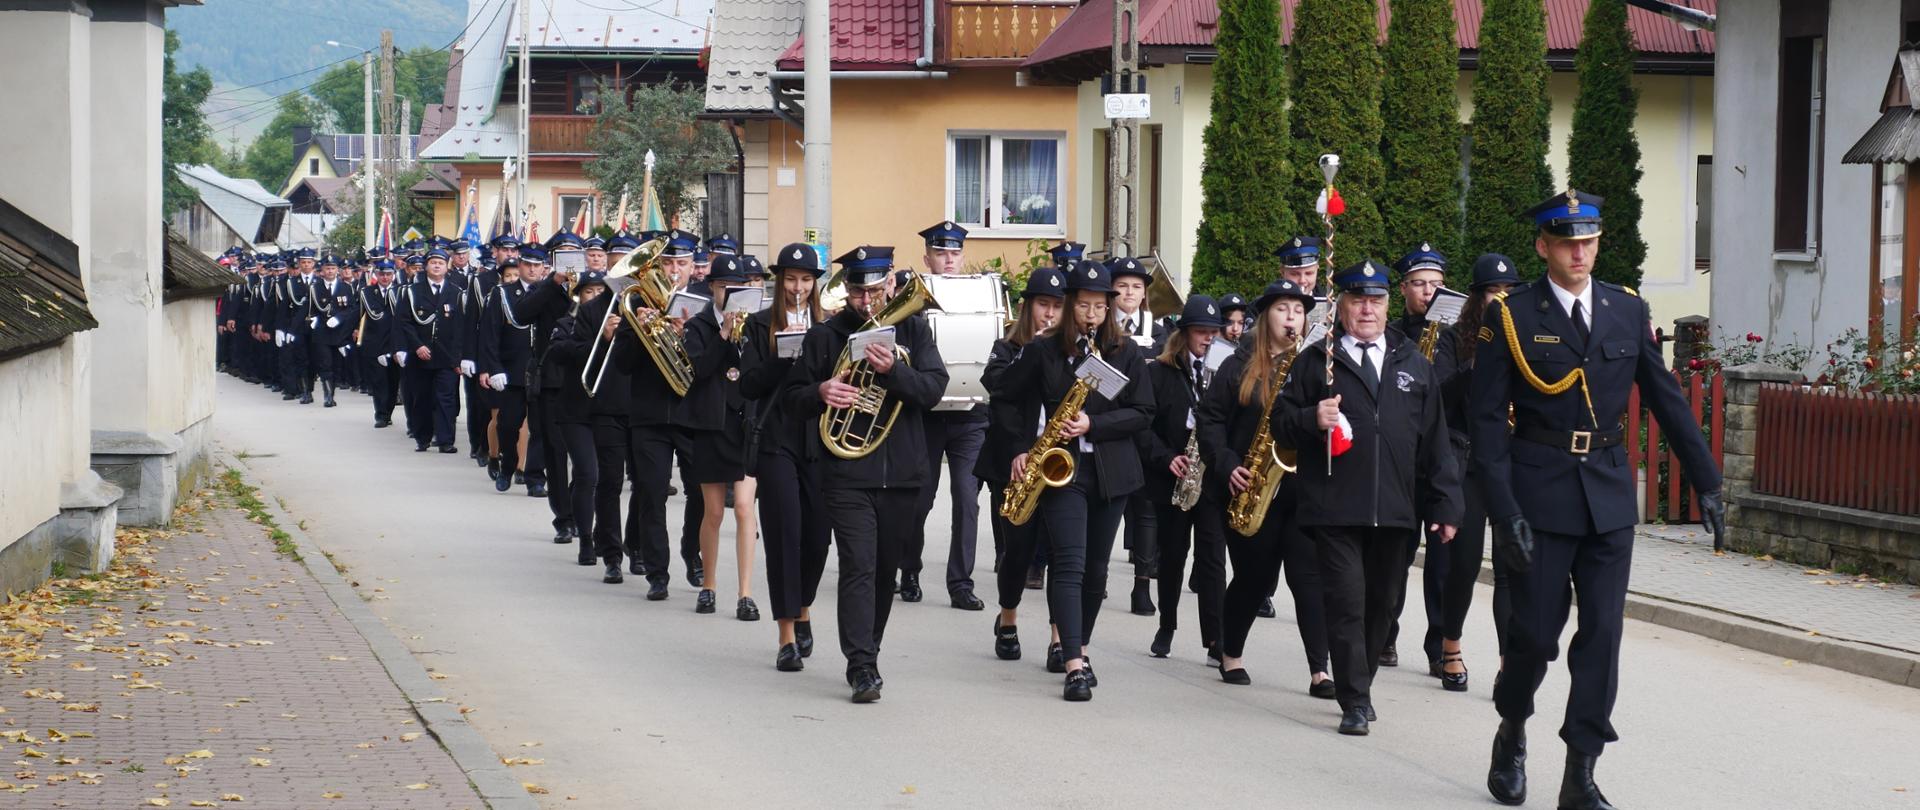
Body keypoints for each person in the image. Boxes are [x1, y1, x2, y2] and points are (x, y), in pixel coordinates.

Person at [1478, 191, 1725, 810]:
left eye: (1588, 241)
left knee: (1604, 636)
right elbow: (1485, 425)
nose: (1580, 252)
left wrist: (1709, 481)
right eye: (1567, 242)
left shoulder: (1624, 309)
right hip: (1539, 494)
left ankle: (1580, 772)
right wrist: (1503, 510)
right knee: (1533, 637)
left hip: (1609, 495)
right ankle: (1511, 730)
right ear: (1544, 246)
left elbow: (1667, 398)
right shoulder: (1510, 315)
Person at [1272, 258, 1462, 736]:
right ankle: (1354, 699)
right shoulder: (1318, 361)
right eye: (1357, 300)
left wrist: (1445, 504)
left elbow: (1435, 442)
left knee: (1383, 604)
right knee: (1347, 602)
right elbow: (1280, 423)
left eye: (1375, 301)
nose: (1367, 310)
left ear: (1387, 304)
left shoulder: (1413, 363)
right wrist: (1312, 418)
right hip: (1335, 506)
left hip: (1397, 509)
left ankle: (1362, 683)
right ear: (1342, 307)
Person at [780, 245, 948, 703]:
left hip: (904, 474)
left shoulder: (914, 328)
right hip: (847, 471)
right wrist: (821, 390)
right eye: (858, 293)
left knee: (885, 571)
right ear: (846, 291)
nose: (867, 302)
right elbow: (791, 398)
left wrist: (894, 371)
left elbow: (934, 389)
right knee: (858, 565)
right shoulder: (825, 336)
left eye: (875, 291)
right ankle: (861, 665)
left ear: (891, 287)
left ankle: (868, 649)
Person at [997, 260, 1153, 701]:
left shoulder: (1125, 353)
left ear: (1109, 308)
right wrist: (1021, 447)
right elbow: (1006, 397)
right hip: (1061, 472)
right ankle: (1073, 664)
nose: (1090, 315)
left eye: (1099, 307)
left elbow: (1144, 412)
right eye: (1082, 305)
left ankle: (1079, 645)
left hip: (1112, 472)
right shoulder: (1044, 350)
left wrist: (1093, 425)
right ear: (1068, 306)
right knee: (1069, 563)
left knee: (1097, 572)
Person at [1201, 279, 1336, 698]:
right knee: (1255, 577)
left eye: (1298, 311)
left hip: (1299, 487)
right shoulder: (1238, 365)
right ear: (1266, 317)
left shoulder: (1314, 364)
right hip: (1250, 484)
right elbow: (1209, 420)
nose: (1292, 317)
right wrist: (1227, 465)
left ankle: (1320, 670)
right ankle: (1230, 652)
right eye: (1283, 309)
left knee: (1307, 577)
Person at [1425, 253, 1520, 693]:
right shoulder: (1453, 340)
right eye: (1493, 294)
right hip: (1467, 462)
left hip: (1509, 463)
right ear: (1476, 299)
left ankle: (1507, 663)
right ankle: (1450, 644)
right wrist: (1476, 363)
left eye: (1508, 293)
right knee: (1462, 566)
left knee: (1508, 567)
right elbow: (1438, 397)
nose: (1501, 301)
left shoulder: (1525, 340)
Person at [741, 243, 833, 670]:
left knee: (817, 537)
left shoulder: (828, 328)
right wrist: (782, 355)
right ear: (780, 283)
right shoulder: (759, 325)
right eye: (791, 279)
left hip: (818, 441)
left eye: (806, 280)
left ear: (815, 285)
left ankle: (803, 606)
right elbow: (748, 385)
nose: (798, 287)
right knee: (785, 534)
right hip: (777, 438)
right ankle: (785, 635)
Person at [902, 221, 991, 609]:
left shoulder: (981, 293)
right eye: (941, 253)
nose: (949, 259)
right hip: (928, 413)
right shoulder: (913, 296)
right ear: (928, 258)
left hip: (970, 414)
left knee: (966, 498)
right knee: (920, 498)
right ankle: (909, 568)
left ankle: (961, 583)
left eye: (955, 253)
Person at [980, 265, 1067, 663]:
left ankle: (1059, 637)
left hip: (1057, 464)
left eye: (1056, 307)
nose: (1049, 314)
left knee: (1060, 553)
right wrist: (1018, 448)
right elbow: (998, 394)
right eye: (1042, 306)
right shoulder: (1007, 348)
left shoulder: (1071, 355)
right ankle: (1008, 618)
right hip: (1013, 463)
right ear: (1028, 307)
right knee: (1018, 551)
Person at [1142, 296, 1228, 662]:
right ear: (1184, 334)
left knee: (1212, 560)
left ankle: (1215, 639)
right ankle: (1167, 624)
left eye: (1213, 332)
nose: (1208, 339)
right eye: (1201, 332)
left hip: (1211, 481)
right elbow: (1144, 426)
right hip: (1174, 478)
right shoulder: (1160, 373)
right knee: (1173, 556)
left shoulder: (1225, 372)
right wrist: (1167, 459)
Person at [679, 255, 761, 619]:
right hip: (711, 424)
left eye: (736, 287)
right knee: (713, 512)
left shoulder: (756, 325)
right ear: (712, 287)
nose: (729, 293)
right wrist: (724, 334)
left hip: (746, 423)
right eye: (724, 286)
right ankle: (709, 585)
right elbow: (698, 370)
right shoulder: (698, 326)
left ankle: (745, 593)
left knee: (744, 508)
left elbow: (757, 370)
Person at [1381, 243, 1448, 670]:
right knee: (1394, 556)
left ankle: (1440, 646)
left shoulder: (1460, 335)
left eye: (1437, 285)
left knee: (1443, 562)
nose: (1428, 293)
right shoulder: (1391, 336)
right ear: (1403, 288)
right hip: (1401, 461)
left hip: (1442, 459)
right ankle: (1385, 633)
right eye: (1420, 284)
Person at [1106, 256, 1165, 617]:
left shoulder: (1157, 328)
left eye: (1137, 287)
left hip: (1144, 422)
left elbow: (1161, 367)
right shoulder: (1100, 324)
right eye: (1123, 286)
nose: (1129, 293)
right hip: (1107, 419)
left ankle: (1142, 584)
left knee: (1145, 510)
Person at [398, 248, 469, 454]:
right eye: (433, 262)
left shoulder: (455, 292)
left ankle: (446, 440)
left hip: (446, 357)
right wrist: (417, 345)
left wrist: (457, 358)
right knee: (422, 398)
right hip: (420, 355)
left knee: (445, 399)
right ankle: (423, 437)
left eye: (441, 262)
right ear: (426, 266)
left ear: (447, 267)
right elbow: (404, 322)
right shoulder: (412, 291)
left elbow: (459, 328)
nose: (437, 265)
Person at [358, 259, 404, 428]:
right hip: (375, 344)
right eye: (382, 274)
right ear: (376, 275)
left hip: (394, 345)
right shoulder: (367, 292)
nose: (385, 278)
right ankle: (381, 415)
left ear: (394, 275)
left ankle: (388, 411)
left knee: (393, 382)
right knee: (379, 382)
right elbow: (361, 316)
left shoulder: (401, 291)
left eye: (389, 274)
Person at [312, 254, 358, 408]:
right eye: (327, 268)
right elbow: (310, 309)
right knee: (325, 364)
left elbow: (352, 309)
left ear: (337, 270)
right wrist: (312, 319)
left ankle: (332, 391)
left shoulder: (346, 287)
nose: (330, 271)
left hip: (339, 333)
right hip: (322, 333)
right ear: (322, 270)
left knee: (336, 365)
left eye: (333, 268)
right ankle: (328, 396)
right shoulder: (315, 287)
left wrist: (339, 318)